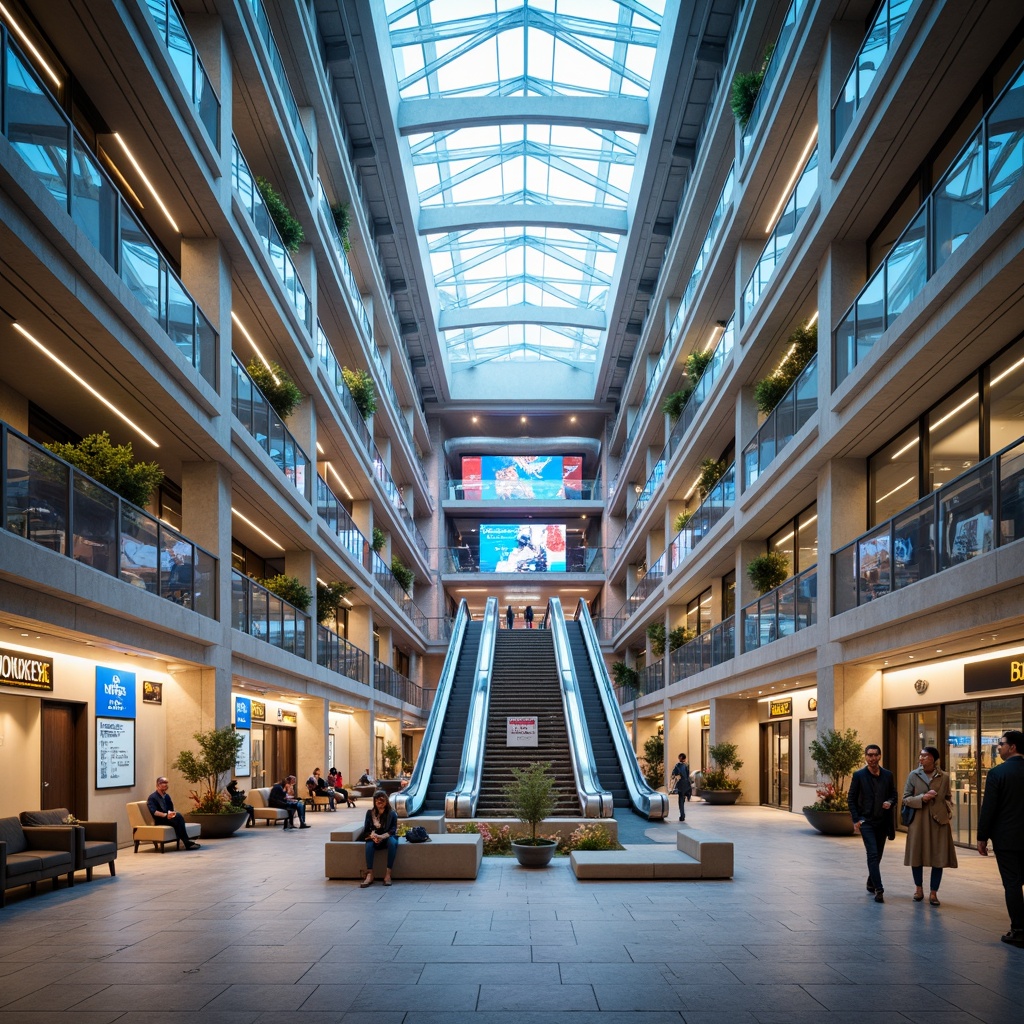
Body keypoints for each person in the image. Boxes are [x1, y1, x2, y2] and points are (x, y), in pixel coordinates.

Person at [977, 729, 1024, 947]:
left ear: (1012, 747)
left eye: (1001, 743)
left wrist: (982, 837)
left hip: (1006, 839)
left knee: (1012, 883)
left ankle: (1019, 930)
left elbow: (989, 808)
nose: (998, 747)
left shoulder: (997, 774)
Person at [902, 746, 958, 905]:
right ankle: (918, 889)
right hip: (918, 820)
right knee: (916, 855)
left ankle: (934, 893)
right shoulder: (913, 775)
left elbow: (947, 797)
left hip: (939, 821)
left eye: (925, 756)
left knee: (938, 857)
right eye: (920, 756)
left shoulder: (944, 777)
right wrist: (922, 798)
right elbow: (905, 798)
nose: (921, 758)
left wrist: (947, 807)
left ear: (933, 758)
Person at [848, 744, 897, 902]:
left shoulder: (888, 775)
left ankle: (871, 882)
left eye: (875, 755)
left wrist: (890, 802)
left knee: (878, 855)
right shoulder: (859, 775)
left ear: (880, 756)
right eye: (869, 755)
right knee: (873, 854)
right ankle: (879, 889)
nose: (872, 758)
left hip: (882, 822)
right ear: (865, 757)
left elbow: (894, 795)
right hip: (866, 821)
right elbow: (851, 799)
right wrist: (857, 819)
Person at [358, 789, 398, 887]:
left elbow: (393, 830)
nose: (379, 803)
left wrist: (382, 836)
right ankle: (370, 874)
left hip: (387, 837)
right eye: (376, 801)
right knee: (369, 845)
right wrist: (372, 836)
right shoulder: (370, 813)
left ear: (386, 801)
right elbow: (366, 829)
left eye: (381, 800)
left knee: (392, 843)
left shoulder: (392, 813)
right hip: (374, 837)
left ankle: (388, 874)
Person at [147, 776, 200, 849]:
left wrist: (172, 813)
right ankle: (186, 842)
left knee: (178, 817)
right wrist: (166, 815)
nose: (165, 785)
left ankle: (185, 842)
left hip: (169, 817)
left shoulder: (167, 796)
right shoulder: (152, 797)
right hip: (160, 819)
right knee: (178, 819)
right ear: (157, 785)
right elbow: (154, 812)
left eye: (166, 783)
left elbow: (170, 808)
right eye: (163, 783)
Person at [670, 752, 692, 821]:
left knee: (681, 801)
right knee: (683, 799)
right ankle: (688, 795)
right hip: (687, 784)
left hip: (681, 785)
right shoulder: (687, 765)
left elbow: (674, 774)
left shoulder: (678, 766)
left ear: (680, 758)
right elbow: (688, 775)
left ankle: (682, 815)